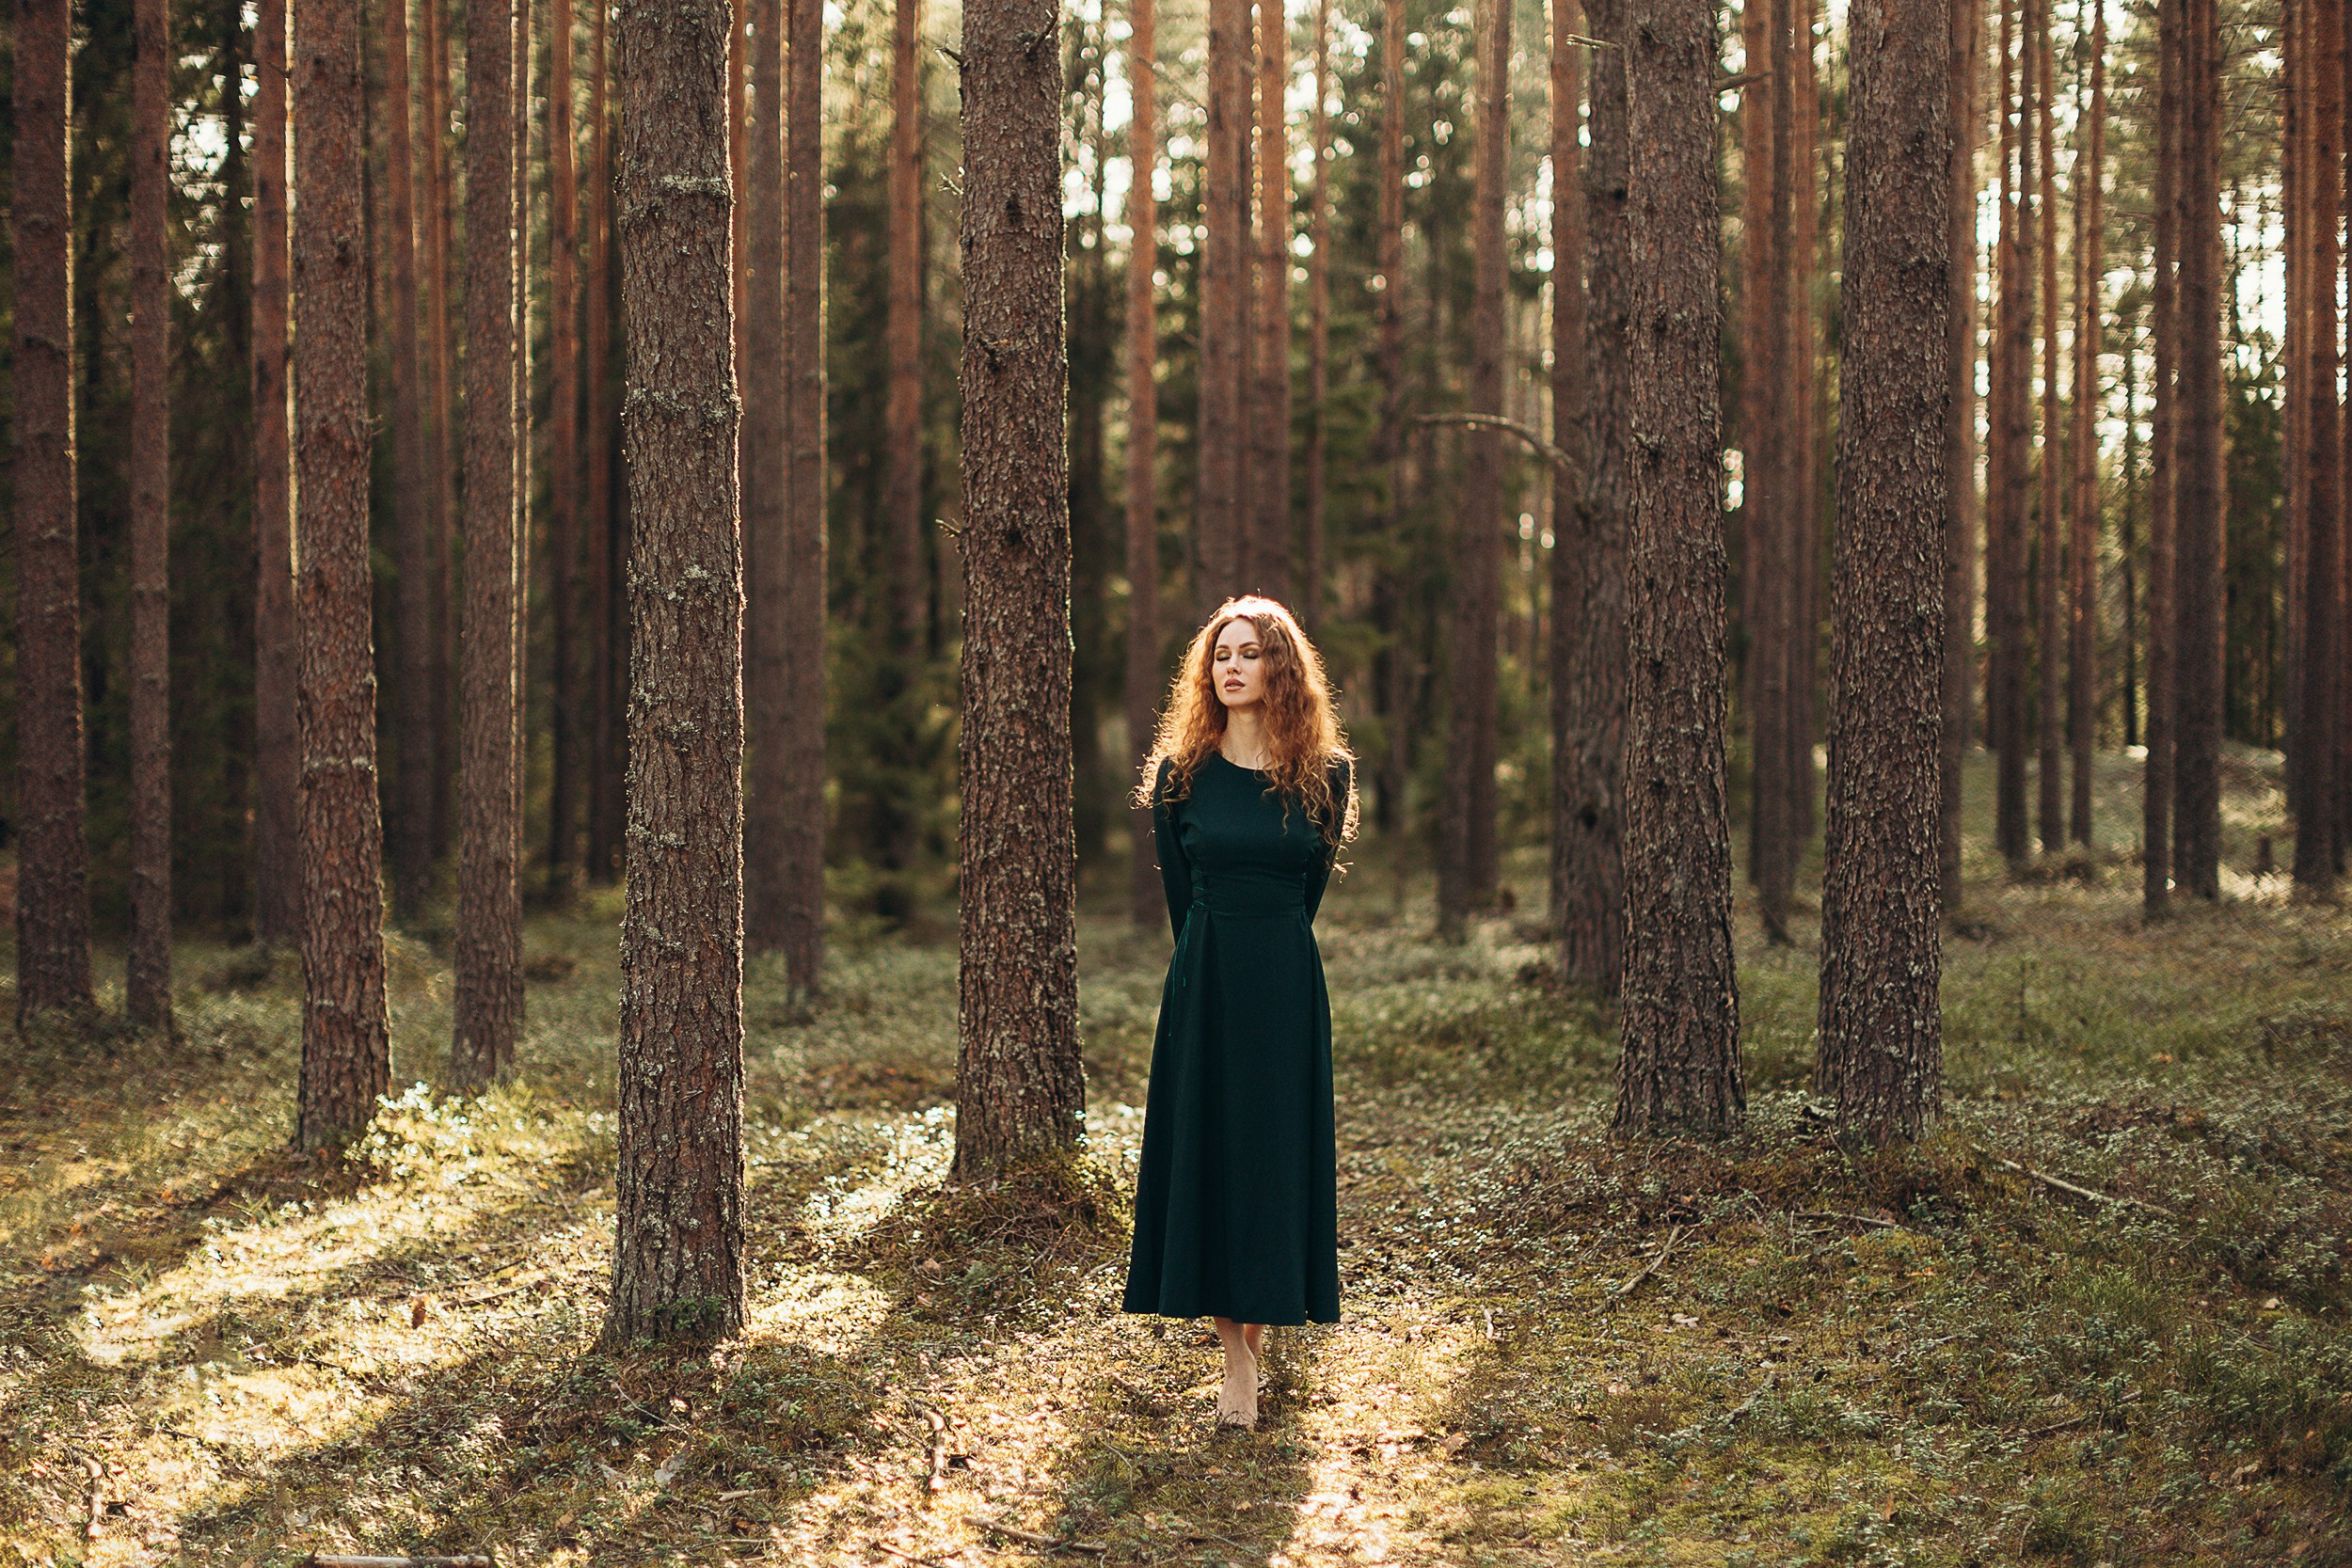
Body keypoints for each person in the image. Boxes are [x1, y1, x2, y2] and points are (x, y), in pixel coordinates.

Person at [1121, 594, 1359, 1430]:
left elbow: (1310, 889)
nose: (1231, 666)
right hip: (1207, 976)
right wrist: (1212, 963)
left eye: (1250, 653)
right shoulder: (1179, 775)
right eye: (1221, 653)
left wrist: (1271, 952)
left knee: (1273, 1157)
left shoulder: (1326, 774)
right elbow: (1181, 901)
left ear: (1279, 668)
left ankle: (1256, 1330)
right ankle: (1237, 1361)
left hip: (1286, 982)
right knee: (1214, 1152)